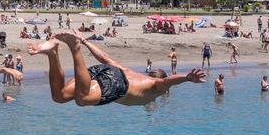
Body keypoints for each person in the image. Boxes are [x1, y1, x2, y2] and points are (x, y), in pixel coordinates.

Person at [28, 30, 206, 107]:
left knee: (59, 96)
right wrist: (186, 77)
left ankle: (53, 53)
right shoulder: (155, 86)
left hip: (105, 71)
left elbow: (104, 58)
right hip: (118, 84)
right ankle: (74, 48)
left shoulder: (133, 72)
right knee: (83, 99)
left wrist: (85, 40)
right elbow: (167, 81)